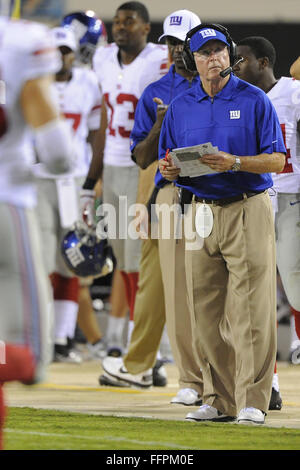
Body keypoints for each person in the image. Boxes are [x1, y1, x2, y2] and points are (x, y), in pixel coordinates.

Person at [159, 24, 286, 425]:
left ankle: (254, 399)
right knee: (205, 310)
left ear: (230, 55)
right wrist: (168, 169)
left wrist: (235, 162)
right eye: (204, 52)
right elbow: (170, 160)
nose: (212, 58)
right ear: (191, 60)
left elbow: (277, 160)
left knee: (252, 308)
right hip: (200, 208)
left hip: (246, 206)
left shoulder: (255, 100)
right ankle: (218, 399)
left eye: (218, 51)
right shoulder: (181, 105)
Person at [101, 9, 204, 404]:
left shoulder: (222, 88)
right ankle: (140, 364)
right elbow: (141, 157)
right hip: (165, 194)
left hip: (215, 197)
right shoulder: (155, 91)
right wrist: (161, 123)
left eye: (185, 42)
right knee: (153, 283)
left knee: (205, 289)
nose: (178, 50)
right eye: (172, 43)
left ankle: (206, 373)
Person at [0, 12, 74, 449]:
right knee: (32, 360)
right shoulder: (20, 40)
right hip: (8, 205)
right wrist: (30, 165)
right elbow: (60, 152)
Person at [80, 2, 168, 356]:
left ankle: (149, 341)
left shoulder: (160, 57)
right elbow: (103, 122)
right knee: (122, 259)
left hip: (142, 166)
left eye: (129, 22)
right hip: (114, 165)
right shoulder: (102, 59)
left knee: (139, 258)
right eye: (117, 22)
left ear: (146, 28)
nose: (121, 27)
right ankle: (138, 337)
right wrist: (92, 179)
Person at [34, 26, 103, 363]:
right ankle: (41, 336)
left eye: (65, 50)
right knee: (40, 259)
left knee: (73, 259)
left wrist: (94, 180)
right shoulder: (31, 81)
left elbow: (96, 135)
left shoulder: (88, 83)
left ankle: (61, 339)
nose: (60, 56)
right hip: (37, 180)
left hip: (74, 181)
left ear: (74, 52)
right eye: (55, 50)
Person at [234, 36, 300, 370]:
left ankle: (298, 342)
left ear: (263, 62)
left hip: (290, 194)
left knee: (294, 278)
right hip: (254, 197)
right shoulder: (238, 99)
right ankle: (266, 375)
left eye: (242, 60)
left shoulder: (292, 91)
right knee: (255, 291)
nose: (236, 66)